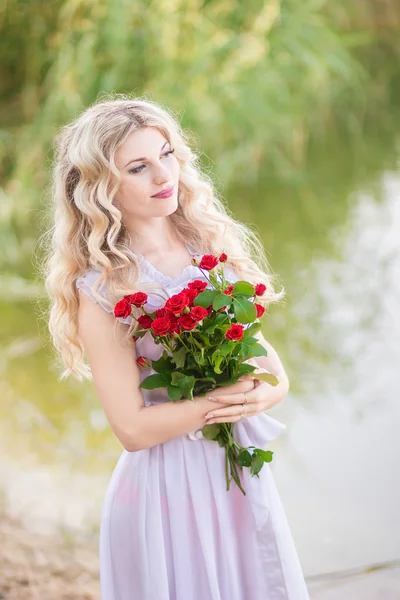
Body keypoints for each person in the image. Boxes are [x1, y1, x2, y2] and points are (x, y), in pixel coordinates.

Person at [43, 95, 310, 599]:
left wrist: (273, 390)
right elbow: (132, 429)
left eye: (166, 155)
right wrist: (219, 404)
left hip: (235, 474)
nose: (163, 176)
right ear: (101, 188)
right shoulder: (102, 288)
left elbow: (261, 356)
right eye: (138, 168)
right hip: (168, 487)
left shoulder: (206, 243)